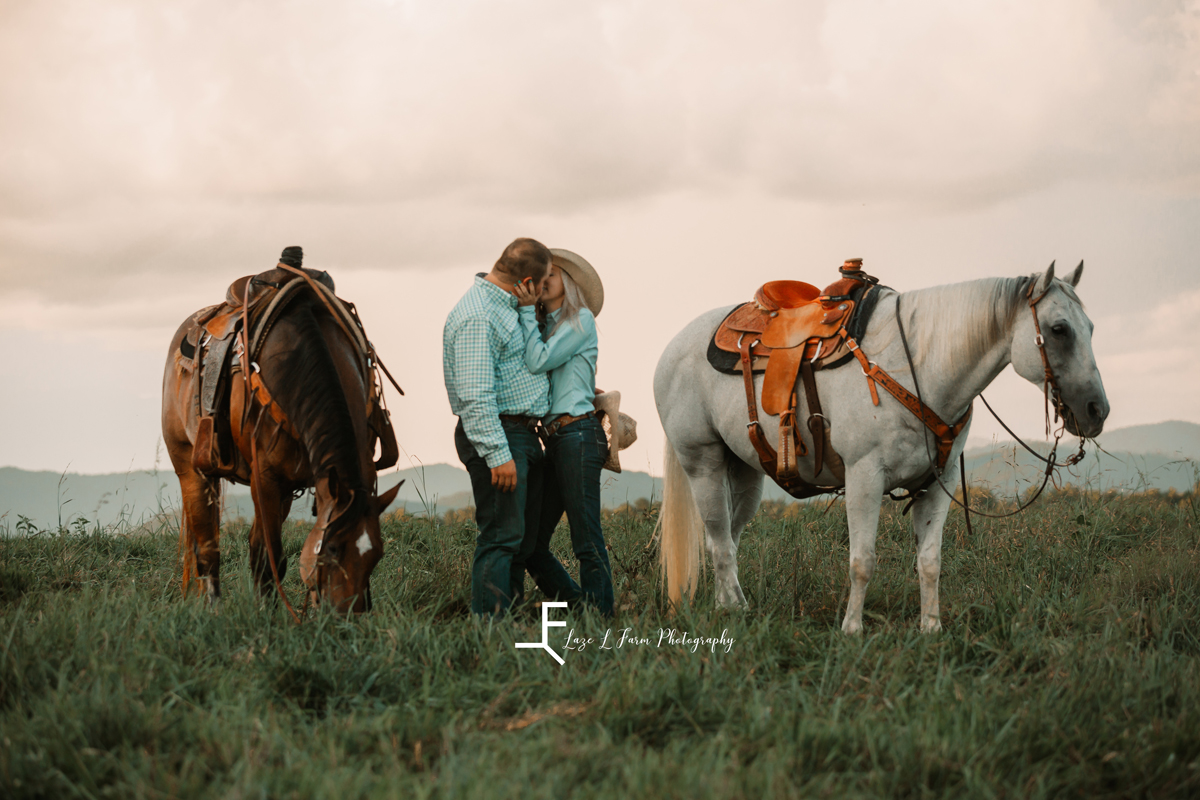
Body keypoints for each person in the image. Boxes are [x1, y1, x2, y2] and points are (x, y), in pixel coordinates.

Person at [442, 237, 573, 617]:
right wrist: (498, 455)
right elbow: (475, 395)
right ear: (529, 281)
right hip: (498, 434)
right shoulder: (479, 314)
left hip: (521, 433)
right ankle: (490, 629)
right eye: (546, 278)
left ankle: (509, 615)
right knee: (501, 537)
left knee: (520, 540)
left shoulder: (508, 309)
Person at [512, 249, 614, 616]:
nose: (543, 280)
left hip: (578, 435)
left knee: (585, 539)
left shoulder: (580, 320)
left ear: (567, 284)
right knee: (531, 544)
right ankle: (580, 607)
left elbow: (538, 360)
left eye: (551, 274)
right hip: (554, 440)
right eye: (540, 276)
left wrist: (525, 312)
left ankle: (601, 620)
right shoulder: (543, 328)